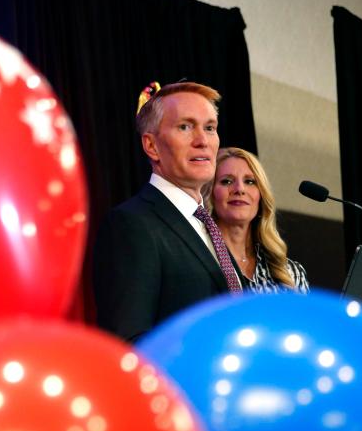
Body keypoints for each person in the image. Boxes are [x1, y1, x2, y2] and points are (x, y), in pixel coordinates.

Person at [93, 81, 247, 342]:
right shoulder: (131, 225)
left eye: (210, 128)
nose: (202, 141)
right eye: (185, 127)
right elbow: (129, 341)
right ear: (152, 146)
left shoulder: (207, 224)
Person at [208, 147, 309, 293]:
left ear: (261, 196)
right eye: (227, 181)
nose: (239, 189)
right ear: (210, 193)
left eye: (249, 182)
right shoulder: (198, 263)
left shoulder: (291, 273)